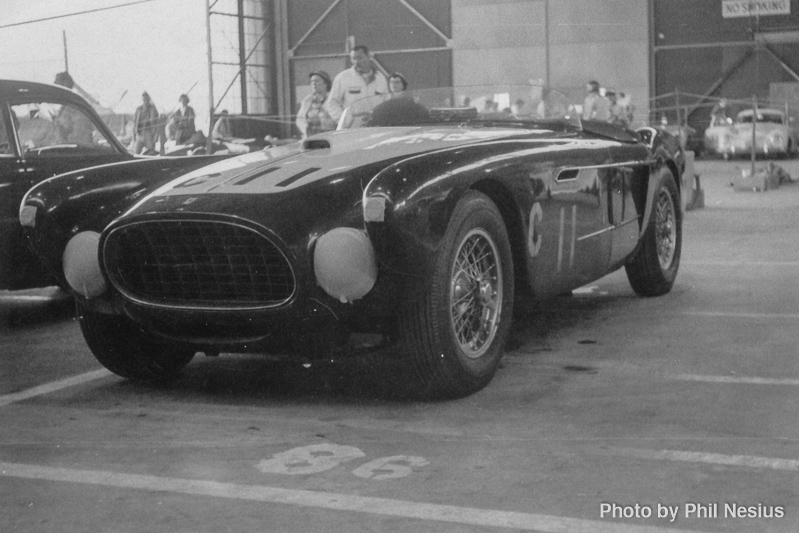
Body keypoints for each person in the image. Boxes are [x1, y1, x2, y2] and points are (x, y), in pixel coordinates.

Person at [325, 44, 389, 122]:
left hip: (375, 124)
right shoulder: (343, 77)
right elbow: (331, 103)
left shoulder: (380, 77)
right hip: (353, 127)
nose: (356, 62)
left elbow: (387, 101)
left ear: (368, 57)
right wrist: (344, 120)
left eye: (360, 58)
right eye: (353, 59)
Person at [295, 71, 336, 138]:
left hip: (330, 136)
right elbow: (300, 118)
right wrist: (306, 128)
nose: (314, 83)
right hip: (311, 137)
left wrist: (320, 122)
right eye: (312, 81)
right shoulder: (307, 100)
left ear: (326, 83)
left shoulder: (333, 99)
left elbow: (338, 120)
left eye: (317, 81)